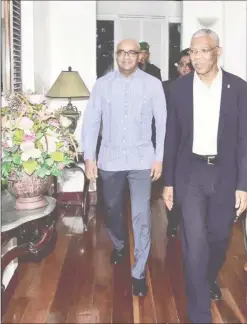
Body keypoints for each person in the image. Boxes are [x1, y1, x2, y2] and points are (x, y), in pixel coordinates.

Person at [163, 28, 247, 323]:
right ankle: (199, 313)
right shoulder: (179, 88)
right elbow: (171, 137)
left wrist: (243, 185)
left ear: (217, 52)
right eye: (193, 51)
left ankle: (208, 276)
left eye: (203, 51)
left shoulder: (238, 88)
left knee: (219, 237)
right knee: (193, 242)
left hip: (225, 173)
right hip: (190, 173)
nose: (196, 57)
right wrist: (169, 182)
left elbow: (243, 140)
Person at [82, 39, 167, 297]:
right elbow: (91, 122)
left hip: (142, 160)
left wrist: (159, 157)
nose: (127, 57)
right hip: (110, 160)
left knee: (141, 215)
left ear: (140, 56)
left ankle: (138, 271)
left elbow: (162, 124)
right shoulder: (102, 84)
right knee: (111, 209)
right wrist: (89, 158)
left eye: (132, 53)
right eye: (122, 52)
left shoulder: (152, 85)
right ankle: (119, 244)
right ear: (116, 55)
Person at [162, 48, 194, 239]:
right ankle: (173, 222)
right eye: (183, 64)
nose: (186, 68)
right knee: (172, 184)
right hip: (172, 144)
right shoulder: (167, 87)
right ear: (178, 67)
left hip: (194, 147)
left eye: (189, 65)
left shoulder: (203, 87)